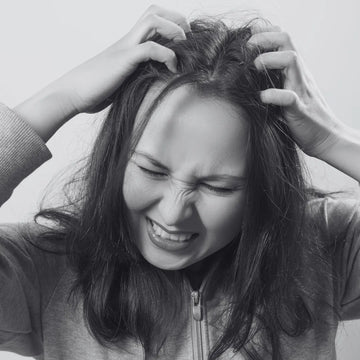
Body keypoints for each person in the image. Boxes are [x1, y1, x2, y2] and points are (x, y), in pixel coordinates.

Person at [1, 4, 360, 360]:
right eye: (152, 170)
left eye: (218, 187)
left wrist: (334, 141)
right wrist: (62, 96)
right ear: (118, 156)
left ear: (263, 186)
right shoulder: (42, 271)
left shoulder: (326, 250)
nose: (173, 214)